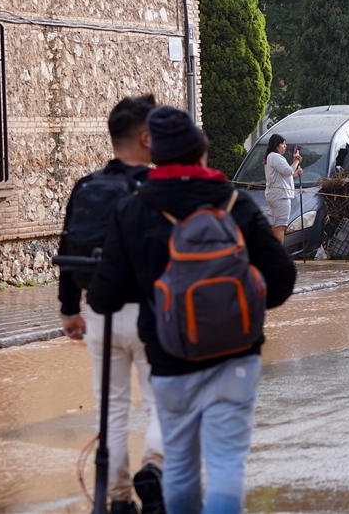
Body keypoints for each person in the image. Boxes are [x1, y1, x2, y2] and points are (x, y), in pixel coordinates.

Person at [88, 106, 297, 514]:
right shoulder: (234, 203)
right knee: (224, 465)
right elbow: (282, 278)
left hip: (168, 359)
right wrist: (245, 308)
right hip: (236, 358)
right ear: (201, 152)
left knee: (180, 468)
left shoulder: (132, 210)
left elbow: (104, 298)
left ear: (157, 157)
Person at [57, 95, 165, 514]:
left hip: (100, 315)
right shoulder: (157, 190)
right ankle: (154, 471)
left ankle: (118, 500)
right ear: (144, 138)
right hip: (151, 316)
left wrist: (70, 309)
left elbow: (67, 248)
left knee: (112, 410)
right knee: (163, 404)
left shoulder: (86, 187)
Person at [263, 133, 302, 243]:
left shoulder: (270, 157)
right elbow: (288, 171)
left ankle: (273, 254)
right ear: (276, 144)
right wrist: (297, 160)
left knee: (275, 225)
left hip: (274, 194)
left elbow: (285, 175)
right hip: (280, 195)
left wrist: (296, 174)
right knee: (281, 226)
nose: (285, 146)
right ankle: (279, 256)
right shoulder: (275, 156)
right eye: (283, 144)